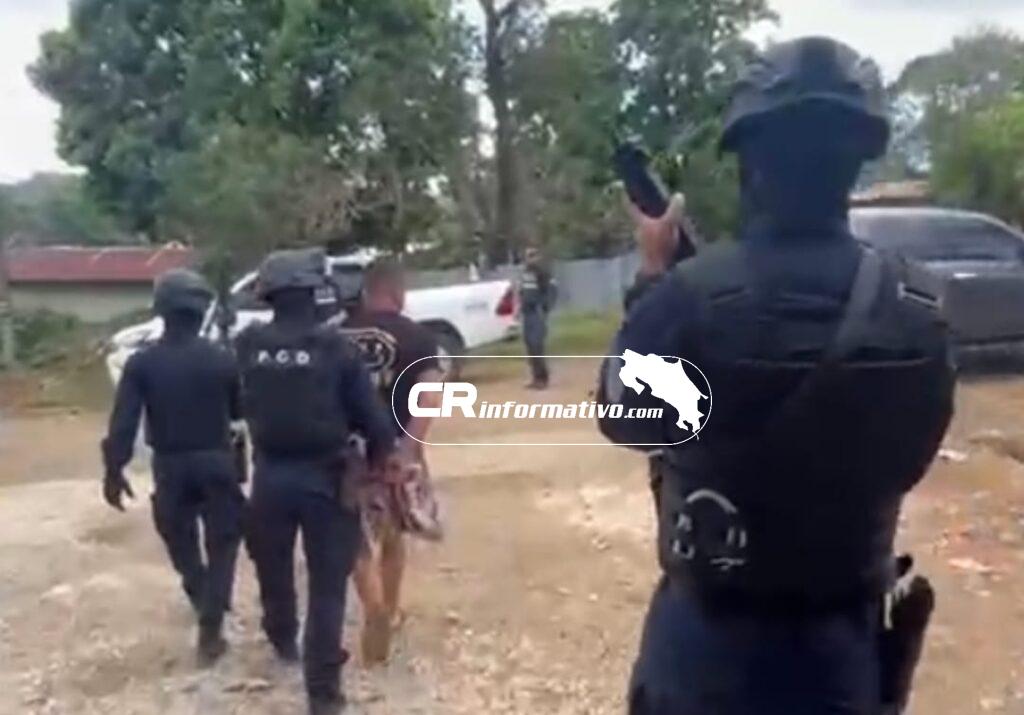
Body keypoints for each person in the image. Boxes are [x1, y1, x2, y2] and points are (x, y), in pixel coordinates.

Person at [597, 37, 956, 715]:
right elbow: (913, 454)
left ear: (749, 162)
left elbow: (622, 417)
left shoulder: (687, 298)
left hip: (702, 660)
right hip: (842, 660)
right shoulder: (917, 306)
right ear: (856, 160)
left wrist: (652, 277)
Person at [237, 248, 395, 715]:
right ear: (315, 292)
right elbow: (374, 423)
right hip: (326, 478)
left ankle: (282, 636)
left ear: (268, 294)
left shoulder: (247, 345)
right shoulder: (336, 348)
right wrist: (381, 463)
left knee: (274, 567)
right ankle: (322, 693)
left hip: (269, 476)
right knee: (327, 587)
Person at [101, 268, 245, 667]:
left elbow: (123, 424)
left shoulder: (141, 364)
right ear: (201, 313)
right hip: (216, 461)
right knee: (223, 545)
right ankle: (212, 618)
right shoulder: (222, 359)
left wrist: (114, 470)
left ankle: (202, 596)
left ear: (161, 311)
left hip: (170, 466)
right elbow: (239, 414)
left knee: (181, 543)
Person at [338, 259, 444, 665]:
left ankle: (373, 605)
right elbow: (430, 396)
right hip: (395, 446)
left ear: (366, 291)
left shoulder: (336, 336)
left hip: (347, 449)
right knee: (393, 533)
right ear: (398, 292)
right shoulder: (418, 336)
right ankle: (392, 608)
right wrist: (411, 447)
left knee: (353, 534)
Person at [518, 246, 557, 389]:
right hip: (527, 314)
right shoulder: (525, 273)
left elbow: (551, 291)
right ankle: (535, 377)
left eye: (533, 255)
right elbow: (523, 292)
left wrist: (545, 308)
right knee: (529, 346)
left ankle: (543, 378)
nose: (530, 259)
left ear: (538, 257)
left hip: (537, 313)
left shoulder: (542, 272)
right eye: (528, 256)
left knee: (536, 345)